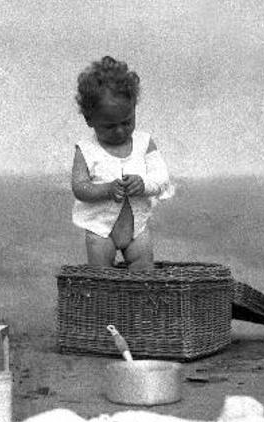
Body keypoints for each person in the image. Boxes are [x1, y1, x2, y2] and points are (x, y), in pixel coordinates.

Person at [71, 56, 174, 271]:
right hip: (100, 230)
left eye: (127, 121)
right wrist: (106, 189)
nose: (120, 130)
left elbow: (162, 179)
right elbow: (79, 188)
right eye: (109, 126)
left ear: (134, 108)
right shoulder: (86, 150)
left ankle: (140, 305)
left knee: (145, 272)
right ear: (89, 119)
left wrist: (144, 184)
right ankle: (107, 305)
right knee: (101, 277)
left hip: (137, 229)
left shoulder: (145, 143)